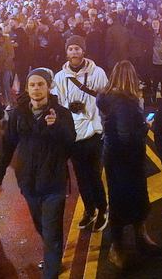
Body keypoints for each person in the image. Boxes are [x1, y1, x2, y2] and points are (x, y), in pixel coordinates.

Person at [0, 68, 76, 279]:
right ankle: (52, 256)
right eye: (32, 85)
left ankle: (50, 270)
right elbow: (7, 144)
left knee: (53, 231)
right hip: (28, 182)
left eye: (41, 84)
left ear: (48, 87)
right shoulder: (19, 114)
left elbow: (70, 141)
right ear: (27, 88)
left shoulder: (61, 113)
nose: (36, 89)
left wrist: (55, 127)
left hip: (53, 182)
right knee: (42, 226)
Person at [96, 61, 156, 268]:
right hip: (126, 160)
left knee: (121, 198)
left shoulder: (108, 99)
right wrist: (145, 127)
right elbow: (126, 135)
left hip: (114, 157)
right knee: (126, 200)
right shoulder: (124, 102)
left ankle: (136, 238)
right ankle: (119, 246)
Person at [51, 35, 108, 230]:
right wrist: (68, 107)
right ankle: (89, 210)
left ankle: (103, 209)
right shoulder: (59, 77)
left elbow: (107, 101)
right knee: (81, 177)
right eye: (71, 49)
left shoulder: (97, 73)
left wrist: (103, 124)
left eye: (77, 49)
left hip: (93, 133)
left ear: (83, 51)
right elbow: (57, 105)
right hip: (73, 135)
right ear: (66, 52)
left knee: (94, 175)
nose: (74, 52)